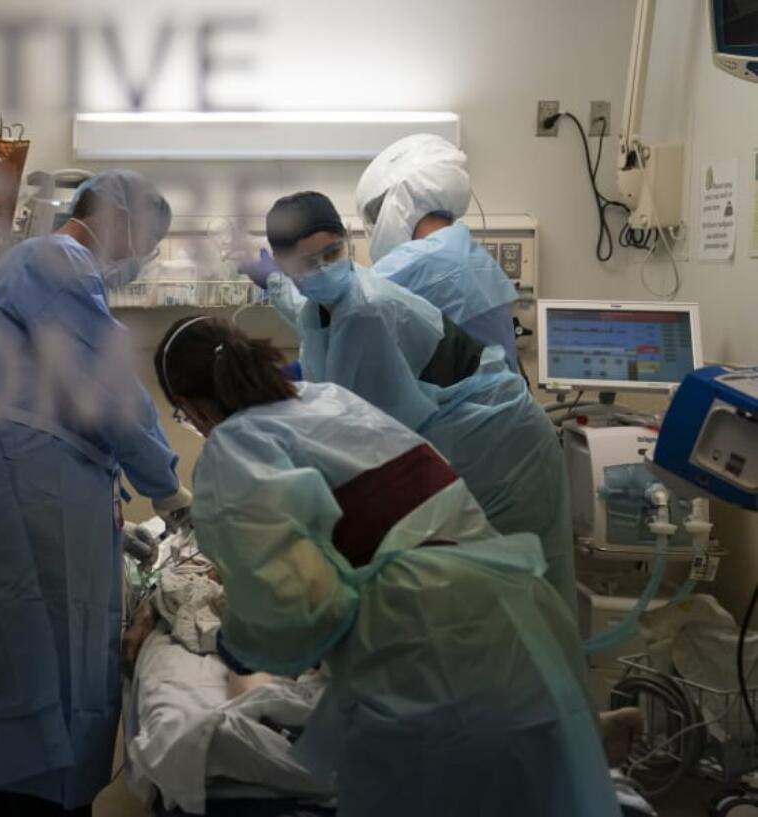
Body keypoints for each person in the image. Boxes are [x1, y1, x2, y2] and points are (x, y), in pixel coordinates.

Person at [152, 315, 619, 817]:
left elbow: (295, 612)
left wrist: (238, 644)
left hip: (422, 651)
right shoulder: (328, 400)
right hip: (518, 621)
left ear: (192, 407)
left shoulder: (234, 450)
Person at [0, 170, 192, 816]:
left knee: (20, 673)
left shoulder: (37, 268)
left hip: (27, 489)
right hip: (28, 502)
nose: (139, 262)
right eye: (144, 243)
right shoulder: (54, 259)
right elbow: (107, 385)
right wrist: (170, 489)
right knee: (37, 679)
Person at [243, 191, 574, 608]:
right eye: (309, 263)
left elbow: (366, 445)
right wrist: (270, 280)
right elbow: (307, 306)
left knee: (515, 593)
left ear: (346, 240)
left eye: (333, 252)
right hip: (466, 438)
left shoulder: (365, 308)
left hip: (503, 446)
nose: (326, 268)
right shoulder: (326, 296)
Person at [357, 133, 521, 372]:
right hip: (501, 404)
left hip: (457, 408)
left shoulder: (415, 265)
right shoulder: (465, 252)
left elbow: (349, 314)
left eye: (376, 214)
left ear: (400, 202)